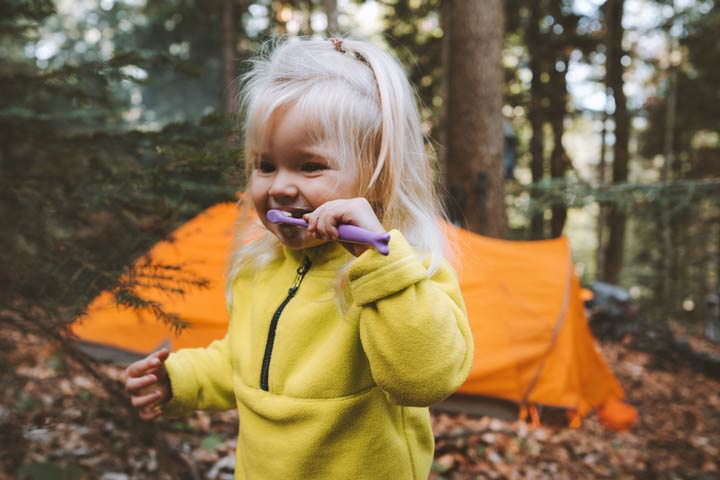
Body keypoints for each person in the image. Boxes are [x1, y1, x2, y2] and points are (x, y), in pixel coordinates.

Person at [124, 36, 474, 479]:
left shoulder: (406, 273)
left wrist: (377, 260)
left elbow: (424, 379)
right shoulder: (261, 268)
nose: (280, 187)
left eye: (310, 166)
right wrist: (178, 379)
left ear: (380, 179)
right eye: (265, 165)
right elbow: (241, 361)